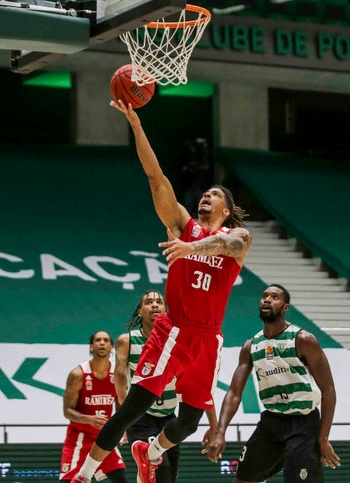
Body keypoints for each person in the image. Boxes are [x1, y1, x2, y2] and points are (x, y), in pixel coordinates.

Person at [69, 100, 252, 483]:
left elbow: (231, 246)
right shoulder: (185, 225)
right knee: (133, 408)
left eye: (215, 194)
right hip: (175, 331)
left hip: (208, 339)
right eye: (204, 192)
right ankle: (83, 475)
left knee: (188, 421)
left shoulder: (238, 236)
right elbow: (156, 176)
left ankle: (149, 453)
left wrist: (192, 249)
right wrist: (136, 125)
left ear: (227, 208)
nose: (206, 196)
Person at [205, 284, 342, 482]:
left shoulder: (303, 340)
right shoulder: (251, 346)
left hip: (303, 423)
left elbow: (328, 390)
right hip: (271, 422)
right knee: (243, 478)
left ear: (285, 307)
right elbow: (234, 393)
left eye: (275, 297)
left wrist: (323, 437)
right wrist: (220, 432)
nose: (267, 299)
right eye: (265, 296)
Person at [114, 289, 218, 483]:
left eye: (159, 302)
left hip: (170, 419)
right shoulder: (127, 341)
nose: (154, 305)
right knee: (159, 475)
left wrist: (215, 426)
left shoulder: (181, 342)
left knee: (169, 477)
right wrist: (124, 418)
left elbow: (201, 388)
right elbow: (119, 378)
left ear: (166, 310)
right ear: (140, 311)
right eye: (149, 302)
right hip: (141, 418)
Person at [60, 331, 127, 483]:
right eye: (98, 340)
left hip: (105, 437)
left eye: (106, 340)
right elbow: (67, 411)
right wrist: (88, 419)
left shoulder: (117, 374)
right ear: (91, 346)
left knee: (121, 478)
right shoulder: (78, 374)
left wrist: (124, 428)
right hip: (79, 439)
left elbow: (121, 407)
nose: (102, 343)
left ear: (111, 347)